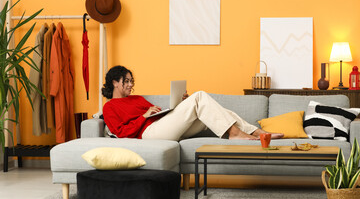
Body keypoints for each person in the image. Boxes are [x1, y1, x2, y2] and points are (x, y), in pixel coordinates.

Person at [102, 66, 283, 141]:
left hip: (160, 126)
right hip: (147, 135)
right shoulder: (109, 107)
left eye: (131, 81)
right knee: (199, 96)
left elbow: (157, 116)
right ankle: (235, 134)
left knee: (217, 111)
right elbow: (121, 133)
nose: (131, 85)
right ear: (114, 82)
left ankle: (258, 133)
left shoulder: (137, 98)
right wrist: (144, 116)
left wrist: (180, 106)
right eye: (126, 81)